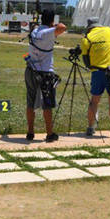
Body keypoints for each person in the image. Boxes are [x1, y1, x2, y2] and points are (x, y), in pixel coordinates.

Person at [25, 9, 66, 142]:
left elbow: (35, 28)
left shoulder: (34, 31)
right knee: (47, 104)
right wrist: (53, 26)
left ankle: (30, 132)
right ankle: (49, 134)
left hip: (30, 70)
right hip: (45, 73)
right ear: (52, 21)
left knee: (30, 102)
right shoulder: (48, 33)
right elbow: (63, 27)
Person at [81, 17, 110, 138]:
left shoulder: (87, 38)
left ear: (89, 28)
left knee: (94, 100)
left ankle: (90, 128)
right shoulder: (109, 30)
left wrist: (91, 67)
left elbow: (85, 58)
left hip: (96, 71)